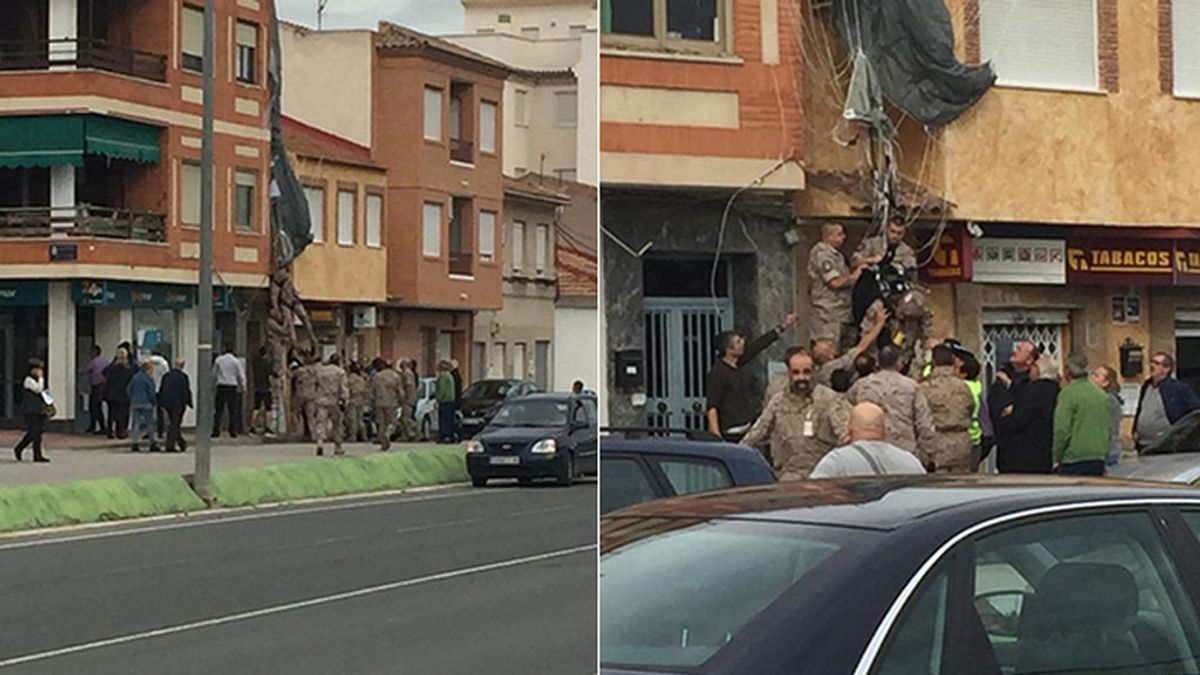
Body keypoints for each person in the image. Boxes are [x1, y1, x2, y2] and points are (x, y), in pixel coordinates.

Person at [741, 347, 850, 480]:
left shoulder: (830, 399)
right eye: (796, 372)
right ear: (789, 373)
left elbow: (847, 436)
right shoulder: (778, 402)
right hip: (788, 478)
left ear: (814, 371)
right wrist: (737, 453)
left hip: (823, 477)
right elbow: (757, 433)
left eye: (806, 372)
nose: (801, 377)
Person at [705, 312, 798, 441]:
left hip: (746, 428)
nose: (743, 343)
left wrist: (784, 325)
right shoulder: (718, 373)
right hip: (731, 432)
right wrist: (716, 435)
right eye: (738, 342)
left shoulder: (737, 363)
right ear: (728, 350)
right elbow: (712, 406)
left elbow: (759, 345)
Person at [847, 345, 937, 460]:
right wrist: (925, 455)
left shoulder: (862, 385)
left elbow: (848, 409)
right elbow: (924, 424)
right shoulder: (911, 387)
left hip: (869, 452)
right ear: (898, 363)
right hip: (904, 451)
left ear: (878, 363)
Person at [809, 402, 927, 478]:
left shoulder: (836, 461)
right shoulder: (910, 461)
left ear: (849, 429)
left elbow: (813, 495)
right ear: (884, 430)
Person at [995, 355, 1060, 473]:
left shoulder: (1033, 390)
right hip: (1045, 451)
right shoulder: (1057, 390)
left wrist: (1006, 417)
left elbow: (1019, 420)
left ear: (1039, 370)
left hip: (1024, 453)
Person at [808, 223, 867, 349]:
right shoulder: (822, 254)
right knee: (828, 351)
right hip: (828, 316)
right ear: (829, 237)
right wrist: (855, 276)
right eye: (839, 234)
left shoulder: (837, 255)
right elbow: (835, 282)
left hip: (842, 315)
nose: (844, 237)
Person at [1053, 354, 1113, 476]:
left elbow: (1062, 429)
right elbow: (1108, 429)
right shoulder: (1100, 394)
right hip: (1097, 456)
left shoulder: (1068, 393)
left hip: (1073, 457)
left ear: (1067, 371)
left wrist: (1056, 456)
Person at [919, 344, 975, 473]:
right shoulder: (963, 386)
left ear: (933, 362)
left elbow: (920, 416)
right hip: (962, 443)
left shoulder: (925, 387)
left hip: (936, 443)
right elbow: (971, 408)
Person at [1133, 351, 1200, 451]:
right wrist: (1135, 429)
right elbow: (1141, 409)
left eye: (1156, 363)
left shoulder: (1178, 388)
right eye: (1151, 362)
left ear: (1166, 368)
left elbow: (1195, 412)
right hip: (1144, 443)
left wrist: (1180, 435)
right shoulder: (1147, 385)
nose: (1152, 365)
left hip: (1165, 445)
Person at [812, 308, 889, 389]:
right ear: (829, 356)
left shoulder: (818, 375)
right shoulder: (837, 364)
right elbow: (863, 345)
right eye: (830, 347)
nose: (832, 345)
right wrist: (880, 323)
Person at [13, 362, 50, 463]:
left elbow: (45, 392)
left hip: (39, 409)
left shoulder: (40, 380)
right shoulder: (28, 380)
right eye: (38, 369)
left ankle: (37, 455)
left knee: (38, 433)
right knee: (33, 431)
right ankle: (19, 448)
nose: (40, 371)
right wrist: (41, 378)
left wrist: (49, 404)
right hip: (30, 409)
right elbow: (39, 389)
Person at [312, 354, 349, 456]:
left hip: (321, 399)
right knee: (337, 424)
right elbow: (344, 387)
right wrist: (345, 399)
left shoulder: (320, 371)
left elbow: (315, 384)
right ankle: (338, 446)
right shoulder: (340, 372)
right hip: (334, 401)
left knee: (321, 422)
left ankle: (320, 442)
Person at [852, 216, 918, 272]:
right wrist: (871, 259)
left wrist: (896, 267)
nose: (895, 236)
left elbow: (911, 270)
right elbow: (854, 262)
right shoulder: (872, 243)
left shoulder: (907, 251)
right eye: (892, 231)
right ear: (886, 229)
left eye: (899, 233)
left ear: (904, 233)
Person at [1091, 365, 1124, 468]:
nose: (1092, 377)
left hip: (1107, 450)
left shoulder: (1108, 399)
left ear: (1106, 382)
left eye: (1096, 376)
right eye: (1092, 374)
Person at [158, 357, 193, 453]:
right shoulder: (183, 377)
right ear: (182, 366)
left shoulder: (167, 376)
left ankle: (181, 443)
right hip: (178, 403)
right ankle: (170, 445)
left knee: (174, 424)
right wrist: (189, 402)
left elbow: (162, 388)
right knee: (175, 424)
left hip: (167, 403)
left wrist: (161, 402)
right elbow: (185, 391)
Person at [212, 344, 246, 438]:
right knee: (232, 410)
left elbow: (214, 374)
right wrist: (243, 386)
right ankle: (232, 431)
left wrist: (212, 385)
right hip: (232, 386)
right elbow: (240, 374)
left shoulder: (218, 360)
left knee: (218, 410)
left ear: (224, 349)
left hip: (221, 385)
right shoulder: (236, 361)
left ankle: (216, 430)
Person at [371, 358, 405, 451]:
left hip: (379, 402)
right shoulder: (395, 376)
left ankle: (383, 443)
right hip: (392, 402)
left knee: (381, 423)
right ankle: (388, 434)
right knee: (392, 422)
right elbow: (400, 391)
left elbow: (372, 391)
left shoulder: (377, 376)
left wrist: (372, 401)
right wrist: (402, 402)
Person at [127, 361, 160, 453]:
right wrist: (154, 402)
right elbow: (151, 392)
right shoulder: (148, 379)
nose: (152, 372)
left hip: (135, 403)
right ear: (148, 369)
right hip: (147, 404)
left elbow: (128, 389)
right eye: (151, 369)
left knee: (136, 424)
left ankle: (135, 443)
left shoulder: (135, 377)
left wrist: (133, 398)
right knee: (150, 423)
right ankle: (152, 442)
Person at [102, 349, 135, 439]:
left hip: (111, 395)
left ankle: (110, 431)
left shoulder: (112, 369)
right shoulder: (128, 370)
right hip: (124, 395)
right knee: (123, 414)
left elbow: (104, 374)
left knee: (111, 413)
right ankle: (120, 431)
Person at [292, 354, 320, 442]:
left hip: (300, 394)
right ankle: (314, 435)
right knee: (310, 416)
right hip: (311, 395)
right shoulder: (316, 371)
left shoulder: (300, 371)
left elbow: (289, 375)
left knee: (296, 413)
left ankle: (297, 431)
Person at [82, 345, 109, 434]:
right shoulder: (105, 361)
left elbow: (86, 370)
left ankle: (99, 426)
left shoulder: (93, 362)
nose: (90, 354)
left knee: (94, 406)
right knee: (97, 406)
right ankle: (97, 425)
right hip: (104, 386)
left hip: (96, 386)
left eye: (91, 351)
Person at [146, 345, 170, 437]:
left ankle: (149, 431)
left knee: (149, 412)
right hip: (161, 389)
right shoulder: (164, 363)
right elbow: (166, 376)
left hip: (149, 389)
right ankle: (160, 431)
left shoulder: (147, 362)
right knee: (160, 411)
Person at [251, 346, 274, 436]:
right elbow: (273, 374)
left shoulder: (255, 363)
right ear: (266, 354)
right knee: (268, 409)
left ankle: (252, 428)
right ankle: (268, 428)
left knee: (256, 408)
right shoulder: (267, 364)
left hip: (257, 388)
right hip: (266, 388)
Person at [345, 361, 370, 443]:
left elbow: (348, 388)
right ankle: (364, 435)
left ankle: (353, 436)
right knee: (360, 419)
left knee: (352, 419)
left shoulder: (350, 378)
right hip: (361, 399)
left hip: (352, 399)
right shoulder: (361, 378)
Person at [435, 360, 457, 443]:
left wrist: (438, 399)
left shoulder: (443, 376)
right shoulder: (450, 375)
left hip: (445, 401)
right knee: (449, 419)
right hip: (451, 400)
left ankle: (445, 436)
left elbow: (442, 389)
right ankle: (450, 435)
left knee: (444, 419)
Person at [398, 359, 419, 442]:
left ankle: (417, 432)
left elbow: (409, 386)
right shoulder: (406, 373)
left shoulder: (407, 373)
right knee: (403, 418)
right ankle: (406, 435)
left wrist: (406, 397)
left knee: (406, 418)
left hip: (408, 399)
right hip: (409, 398)